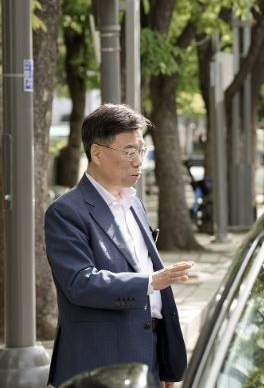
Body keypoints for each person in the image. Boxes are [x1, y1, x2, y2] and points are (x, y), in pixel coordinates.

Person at [45, 104, 193, 387]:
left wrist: (164, 362)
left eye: (142, 151)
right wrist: (151, 281)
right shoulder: (66, 211)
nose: (138, 161)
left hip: (149, 354)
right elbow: (79, 282)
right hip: (101, 361)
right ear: (97, 153)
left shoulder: (135, 204)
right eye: (129, 151)